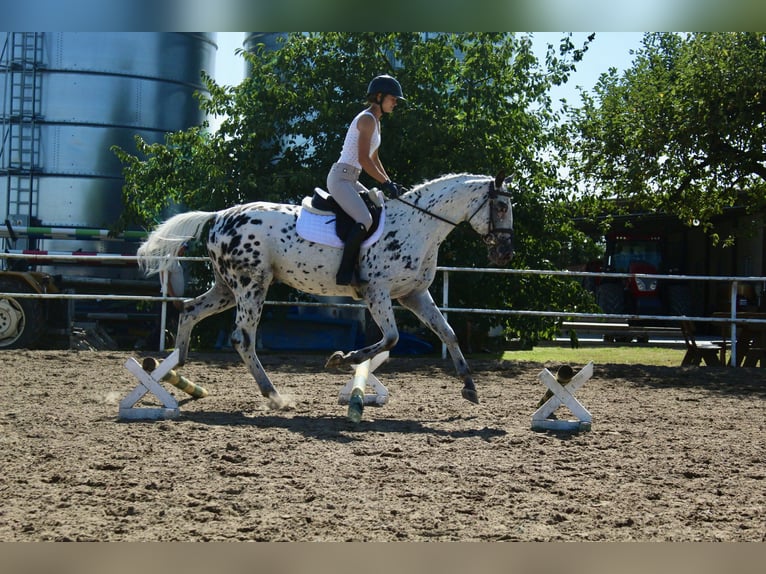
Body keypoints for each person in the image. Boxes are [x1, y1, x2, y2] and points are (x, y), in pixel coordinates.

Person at [327, 74, 406, 286]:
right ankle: (345, 273)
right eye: (393, 98)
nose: (395, 102)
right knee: (365, 219)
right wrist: (384, 183)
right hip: (341, 178)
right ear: (379, 97)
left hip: (351, 179)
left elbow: (374, 158)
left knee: (380, 209)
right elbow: (362, 158)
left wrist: (389, 182)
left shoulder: (376, 122)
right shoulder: (367, 119)